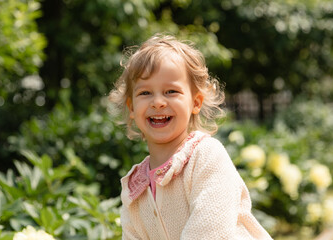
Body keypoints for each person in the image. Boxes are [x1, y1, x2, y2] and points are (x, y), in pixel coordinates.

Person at [108, 34, 273, 240]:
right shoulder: (135, 188)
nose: (158, 102)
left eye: (171, 91)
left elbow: (209, 232)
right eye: (145, 93)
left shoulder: (206, 157)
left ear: (195, 103)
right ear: (131, 107)